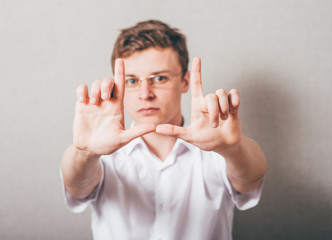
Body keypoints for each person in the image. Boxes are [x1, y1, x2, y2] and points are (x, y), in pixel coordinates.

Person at [61, 19, 267, 240]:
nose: (145, 94)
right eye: (131, 81)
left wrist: (233, 149)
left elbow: (250, 178)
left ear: (185, 81)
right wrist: (85, 152)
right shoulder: (103, 155)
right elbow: (76, 186)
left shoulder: (216, 150)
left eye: (159, 78)